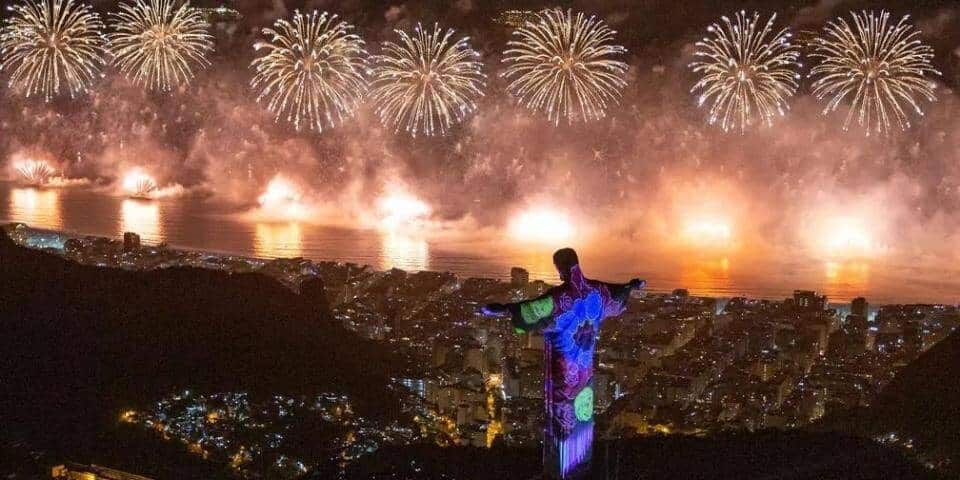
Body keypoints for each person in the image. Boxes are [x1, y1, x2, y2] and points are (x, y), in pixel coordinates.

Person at [480, 248, 645, 479]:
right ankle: (579, 464)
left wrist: (503, 309)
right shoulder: (596, 291)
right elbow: (616, 294)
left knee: (561, 414)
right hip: (585, 372)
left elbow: (532, 309)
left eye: (558, 269)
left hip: (563, 371)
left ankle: (559, 470)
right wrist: (631, 287)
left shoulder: (562, 298)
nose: (558, 275)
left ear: (562, 268)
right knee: (583, 412)